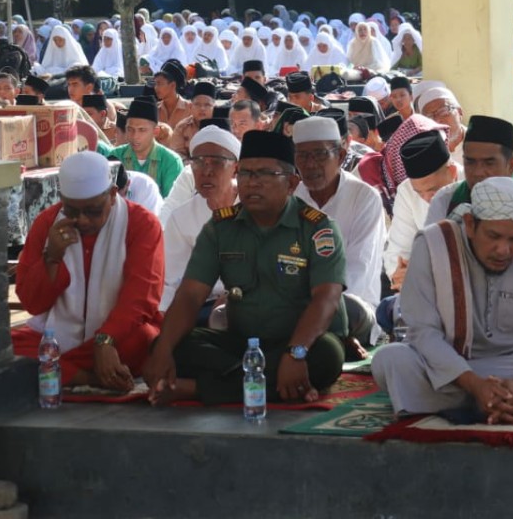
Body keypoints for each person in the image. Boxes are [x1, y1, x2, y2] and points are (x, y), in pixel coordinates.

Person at [143, 131, 349, 406]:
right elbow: (191, 294)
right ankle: (260, 381)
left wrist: (295, 353)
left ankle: (198, 389)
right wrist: (164, 348)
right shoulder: (220, 228)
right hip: (244, 344)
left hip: (301, 342)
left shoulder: (318, 229)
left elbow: (327, 298)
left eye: (265, 174)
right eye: (246, 173)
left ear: (291, 183)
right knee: (168, 345)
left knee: (327, 356)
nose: (252, 182)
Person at [372, 178, 513, 421]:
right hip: (447, 367)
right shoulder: (433, 246)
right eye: (493, 236)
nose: (503, 250)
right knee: (392, 359)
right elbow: (423, 332)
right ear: (470, 224)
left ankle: (482, 403)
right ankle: (496, 402)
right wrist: (474, 385)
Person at [12, 151, 164, 392]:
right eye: (72, 211)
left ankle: (61, 372)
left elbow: (142, 297)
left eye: (93, 211)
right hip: (57, 337)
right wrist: (52, 258)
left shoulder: (142, 223)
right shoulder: (47, 223)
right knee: (8, 349)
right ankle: (90, 377)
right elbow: (32, 303)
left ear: (112, 195)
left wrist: (106, 339)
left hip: (119, 337)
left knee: (143, 339)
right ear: (62, 200)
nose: (82, 220)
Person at [293, 116, 386, 349]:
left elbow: (359, 269)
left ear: (341, 156)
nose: (310, 164)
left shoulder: (364, 197)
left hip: (347, 305)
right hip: (296, 303)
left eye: (320, 155)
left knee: (350, 309)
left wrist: (319, 305)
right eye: (303, 156)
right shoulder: (290, 197)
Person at [425, 115, 513, 244]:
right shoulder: (444, 201)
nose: (478, 172)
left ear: (510, 165)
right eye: (470, 162)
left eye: (489, 163)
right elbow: (430, 254)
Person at [160, 126, 241, 313]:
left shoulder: (256, 208)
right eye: (198, 162)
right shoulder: (181, 218)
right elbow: (170, 281)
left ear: (236, 168)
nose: (206, 171)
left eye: (217, 162)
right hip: (197, 307)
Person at [383, 130, 461, 292]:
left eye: (433, 190)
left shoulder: (474, 185)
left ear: (452, 172)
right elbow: (397, 254)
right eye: (419, 193)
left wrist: (422, 275)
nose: (426, 199)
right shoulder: (407, 191)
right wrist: (402, 274)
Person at [110, 97, 185, 198]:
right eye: (130, 129)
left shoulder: (171, 161)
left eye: (142, 130)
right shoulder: (115, 156)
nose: (135, 136)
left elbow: (171, 202)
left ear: (155, 131)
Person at [166, 81, 217, 159]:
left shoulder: (223, 126)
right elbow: (176, 154)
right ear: (190, 106)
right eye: (197, 104)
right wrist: (193, 165)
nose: (202, 108)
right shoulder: (182, 127)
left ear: (215, 107)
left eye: (207, 105)